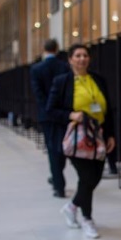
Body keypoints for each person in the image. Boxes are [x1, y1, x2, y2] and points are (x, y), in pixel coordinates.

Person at [47, 43, 116, 239]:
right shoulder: (62, 82)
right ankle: (87, 219)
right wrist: (71, 115)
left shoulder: (98, 80)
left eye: (85, 55)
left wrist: (111, 135)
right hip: (77, 138)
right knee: (86, 178)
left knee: (95, 177)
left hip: (99, 137)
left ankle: (71, 206)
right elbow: (50, 110)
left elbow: (107, 110)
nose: (82, 59)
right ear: (70, 59)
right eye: (77, 55)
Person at [30, 39, 71, 198]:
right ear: (57, 49)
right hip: (63, 114)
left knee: (52, 148)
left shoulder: (36, 69)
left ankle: (58, 182)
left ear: (44, 49)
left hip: (47, 115)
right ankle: (57, 177)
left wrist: (47, 109)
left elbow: (38, 93)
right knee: (62, 147)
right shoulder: (64, 67)